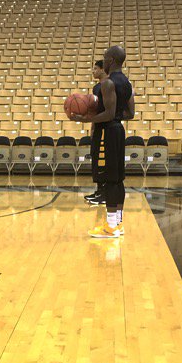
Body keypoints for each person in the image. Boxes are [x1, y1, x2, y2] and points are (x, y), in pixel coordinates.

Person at [71, 45, 134, 238]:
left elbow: (107, 114)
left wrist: (84, 119)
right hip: (118, 130)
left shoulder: (108, 83)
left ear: (111, 61)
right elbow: (130, 114)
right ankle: (118, 223)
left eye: (105, 58)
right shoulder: (127, 83)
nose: (103, 61)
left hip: (107, 132)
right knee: (118, 179)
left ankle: (111, 226)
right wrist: (113, 116)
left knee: (109, 180)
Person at [84, 60, 108, 206]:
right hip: (98, 126)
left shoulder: (107, 85)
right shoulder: (96, 88)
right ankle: (99, 191)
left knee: (103, 161)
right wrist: (92, 128)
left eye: (95, 68)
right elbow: (95, 111)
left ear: (103, 70)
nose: (93, 71)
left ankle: (105, 194)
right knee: (96, 160)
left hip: (106, 127)